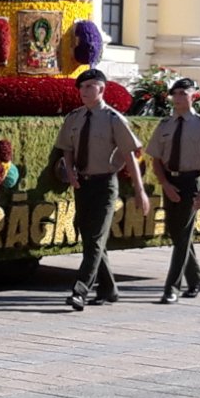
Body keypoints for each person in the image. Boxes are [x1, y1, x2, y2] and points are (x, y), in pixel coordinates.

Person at [56, 68, 149, 311]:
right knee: (89, 239)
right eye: (81, 87)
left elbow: (130, 155)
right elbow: (66, 146)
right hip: (82, 184)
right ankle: (109, 288)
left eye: (89, 86)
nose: (84, 91)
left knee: (95, 239)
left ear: (101, 89)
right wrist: (71, 170)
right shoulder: (74, 118)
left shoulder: (113, 119)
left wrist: (139, 190)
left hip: (105, 184)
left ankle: (80, 290)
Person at [146, 77, 200, 304]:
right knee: (177, 234)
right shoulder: (165, 125)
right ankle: (197, 279)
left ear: (194, 95)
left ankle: (172, 288)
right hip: (171, 182)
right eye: (175, 93)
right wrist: (165, 184)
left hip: (192, 183)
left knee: (182, 238)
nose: (178, 97)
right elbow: (156, 160)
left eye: (183, 93)